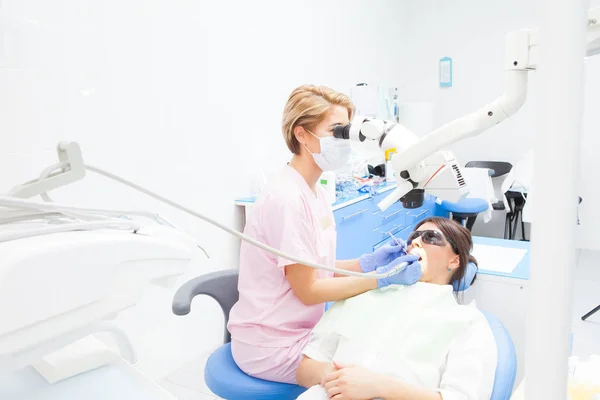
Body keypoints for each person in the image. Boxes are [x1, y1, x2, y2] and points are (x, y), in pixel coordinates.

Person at [227, 85, 422, 384]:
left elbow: (316, 268)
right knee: (362, 383)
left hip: (301, 330)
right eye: (335, 131)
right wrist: (379, 279)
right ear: (301, 134)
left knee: (384, 353)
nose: (343, 142)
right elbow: (309, 290)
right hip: (270, 345)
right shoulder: (287, 199)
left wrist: (367, 263)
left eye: (345, 131)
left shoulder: (313, 190)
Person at [296, 217, 497, 400]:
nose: (415, 242)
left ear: (454, 260)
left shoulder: (467, 321)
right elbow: (304, 370)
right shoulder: (363, 293)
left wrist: (378, 387)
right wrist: (340, 378)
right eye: (413, 237)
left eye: (431, 237)